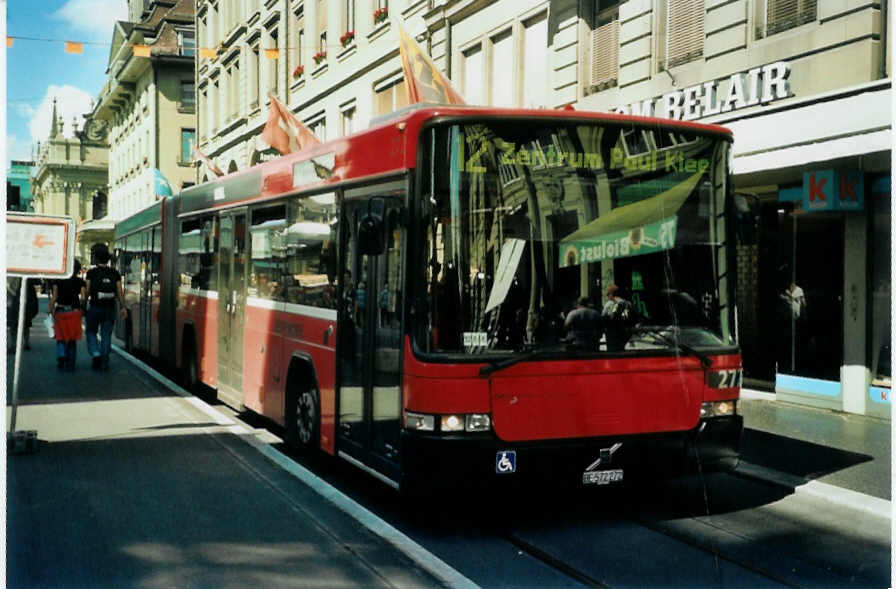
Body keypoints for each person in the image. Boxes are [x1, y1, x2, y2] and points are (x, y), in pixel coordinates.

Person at [85, 244, 126, 370]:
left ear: (96, 258)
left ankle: (95, 353)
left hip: (95, 307)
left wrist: (83, 305)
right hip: (110, 308)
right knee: (106, 334)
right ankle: (105, 358)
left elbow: (87, 291)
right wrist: (123, 307)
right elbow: (119, 291)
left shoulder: (91, 273)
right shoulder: (115, 273)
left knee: (91, 331)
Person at [49, 259, 87, 371]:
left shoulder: (57, 281)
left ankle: (61, 354)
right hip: (74, 311)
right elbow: (83, 297)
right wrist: (83, 309)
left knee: (60, 336)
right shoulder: (80, 282)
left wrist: (50, 310)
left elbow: (54, 297)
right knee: (72, 338)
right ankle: (70, 361)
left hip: (60, 310)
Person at [7, 277, 39, 351]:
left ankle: (16, 344)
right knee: (23, 324)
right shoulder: (25, 275)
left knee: (16, 325)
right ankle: (23, 343)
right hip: (21, 302)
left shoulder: (10, 275)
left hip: (15, 302)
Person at [602, 284, 634, 352]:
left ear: (611, 294)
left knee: (612, 352)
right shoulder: (628, 304)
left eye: (608, 294)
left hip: (612, 334)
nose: (607, 296)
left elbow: (604, 317)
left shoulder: (610, 304)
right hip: (625, 333)